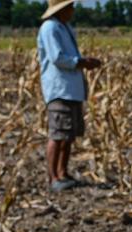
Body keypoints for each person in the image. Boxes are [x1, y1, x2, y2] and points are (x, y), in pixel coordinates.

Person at [37, 0, 101, 192]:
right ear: (62, 9)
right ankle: (53, 178)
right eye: (70, 6)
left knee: (69, 135)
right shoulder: (50, 28)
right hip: (59, 89)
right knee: (58, 135)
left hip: (71, 90)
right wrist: (82, 63)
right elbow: (57, 58)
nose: (73, 10)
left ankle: (63, 173)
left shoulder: (64, 27)